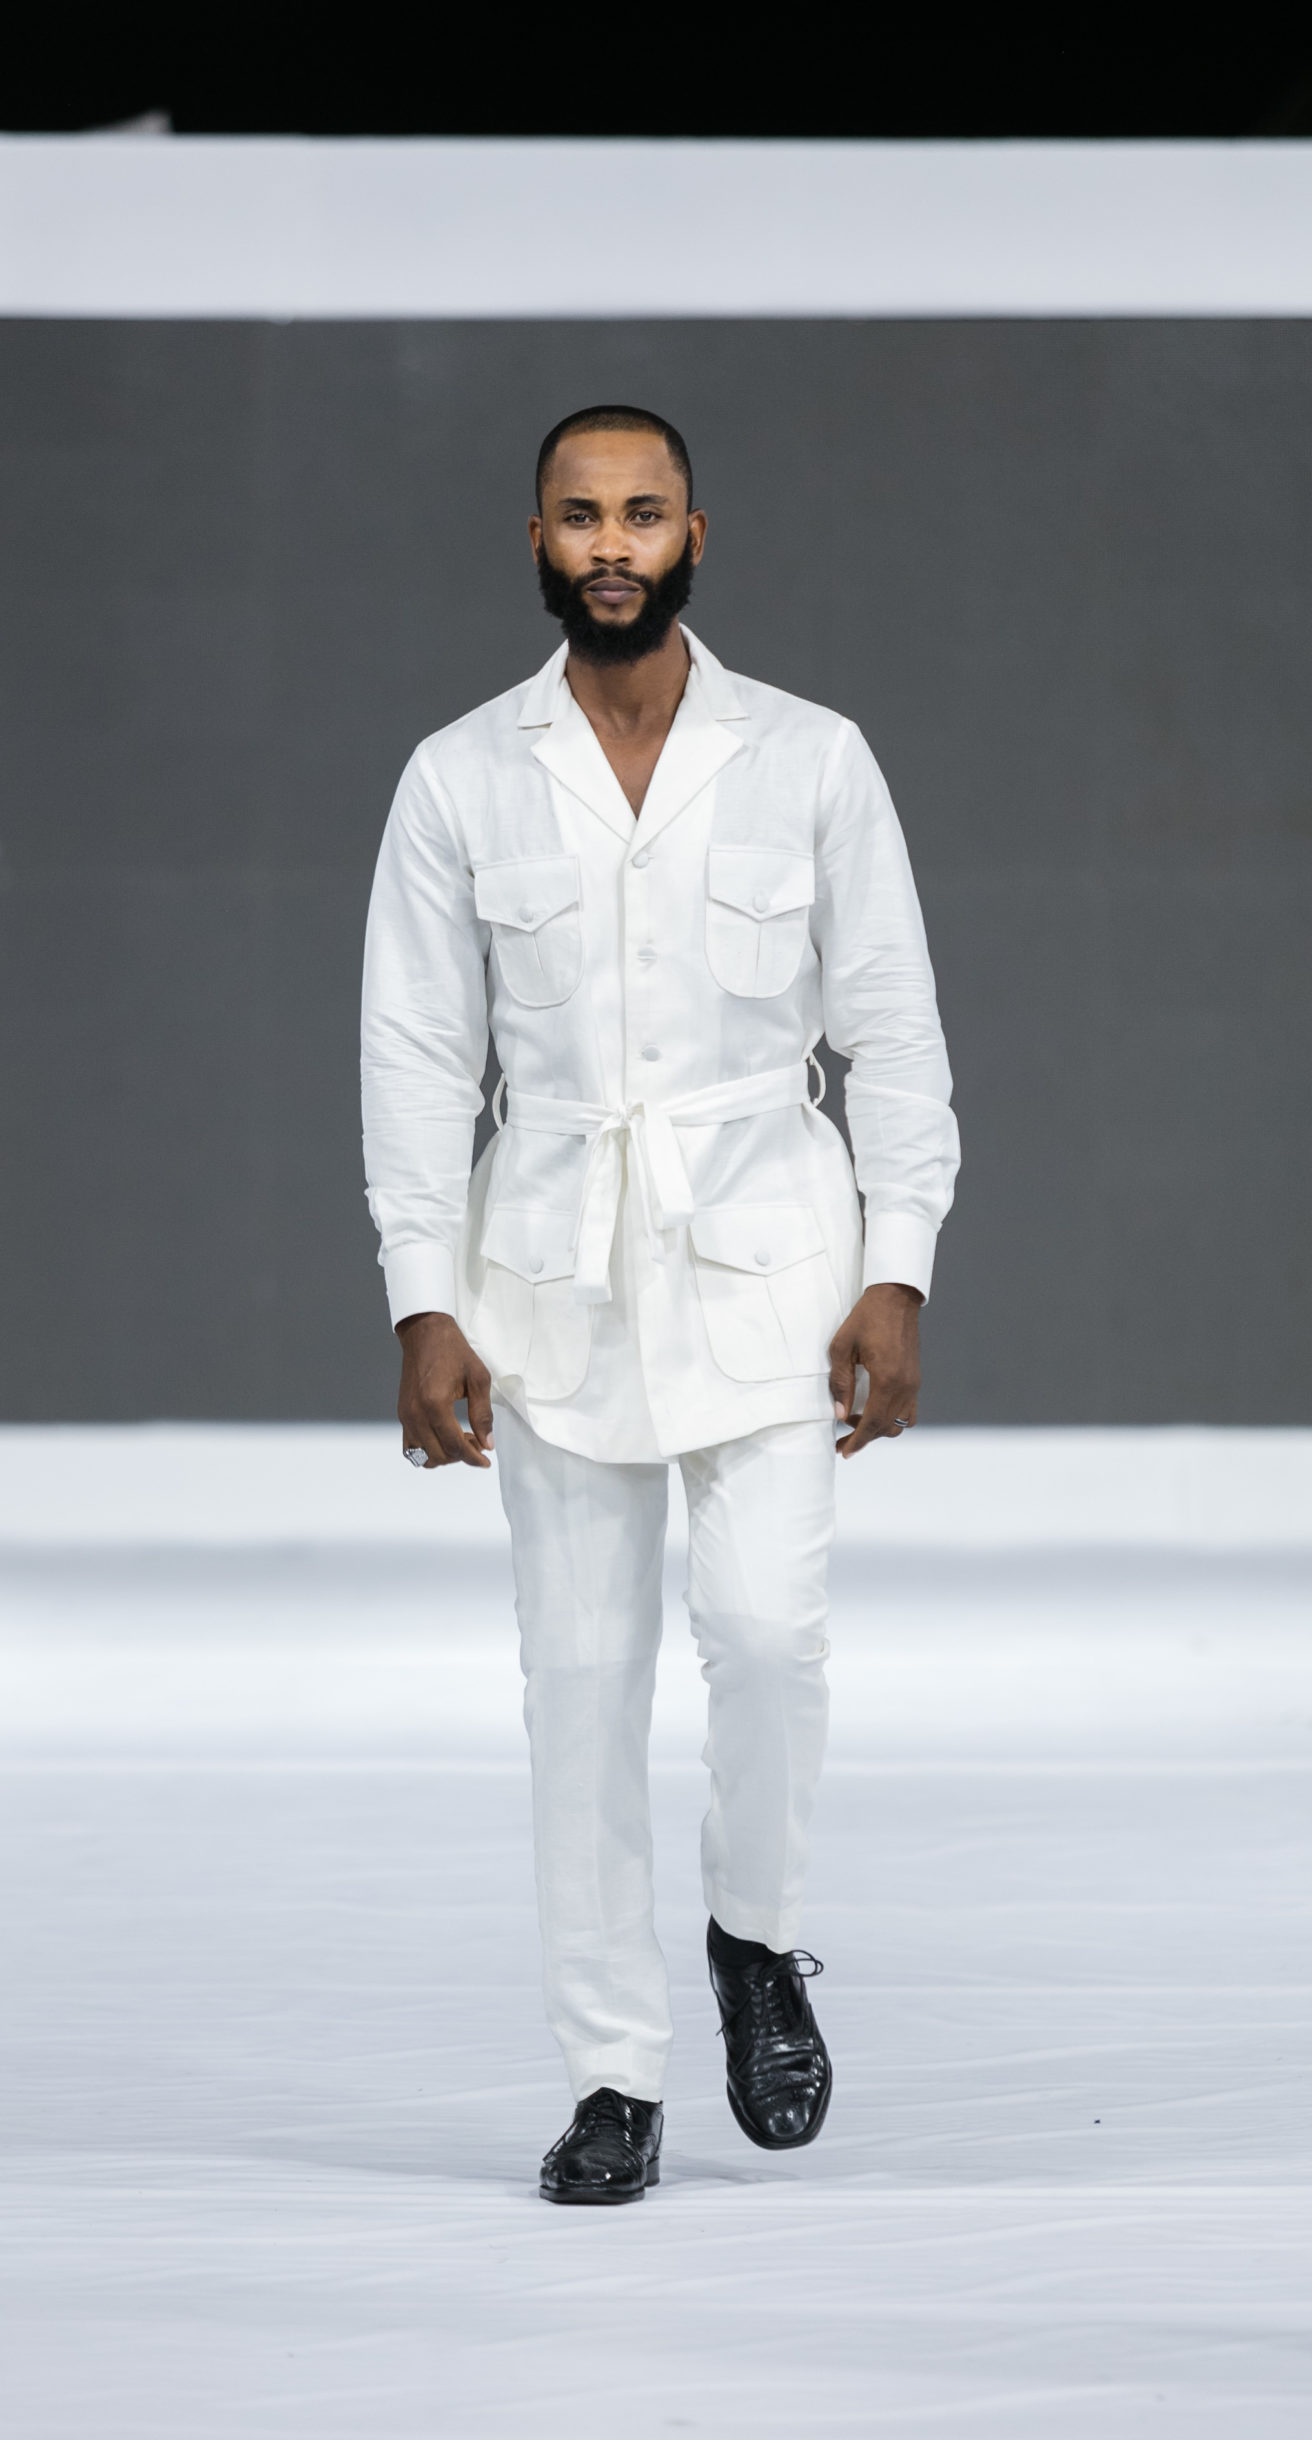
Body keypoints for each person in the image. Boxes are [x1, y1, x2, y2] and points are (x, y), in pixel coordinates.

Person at [361, 405, 958, 2203]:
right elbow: (415, 1057)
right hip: (546, 1282)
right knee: (579, 1682)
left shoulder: (809, 758)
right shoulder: (460, 776)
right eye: (578, 516)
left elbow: (893, 1032)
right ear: (536, 540)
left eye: (640, 514)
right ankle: (613, 2077)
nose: (609, 544)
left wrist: (896, 1269)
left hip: (772, 1264)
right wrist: (421, 1300)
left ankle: (753, 1937)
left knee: (767, 1638)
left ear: (696, 535)